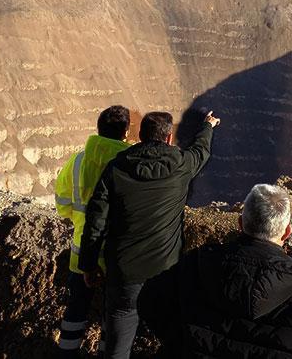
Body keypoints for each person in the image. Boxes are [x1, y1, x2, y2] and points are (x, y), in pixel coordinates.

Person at [138, 183, 292, 358]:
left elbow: (148, 299)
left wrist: (178, 341)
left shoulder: (200, 261)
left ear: (240, 223)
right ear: (287, 232)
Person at [79, 110, 220, 358]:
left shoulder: (117, 167)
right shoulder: (182, 165)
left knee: (116, 349)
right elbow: (201, 151)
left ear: (140, 136)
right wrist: (207, 127)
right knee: (173, 343)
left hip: (124, 276)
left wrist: (88, 265)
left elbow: (96, 220)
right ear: (168, 138)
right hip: (165, 275)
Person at [54, 105, 133, 356]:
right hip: (116, 257)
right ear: (126, 132)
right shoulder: (131, 162)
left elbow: (63, 205)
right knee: (113, 316)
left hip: (82, 253)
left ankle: (67, 353)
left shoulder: (77, 161)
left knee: (75, 309)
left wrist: (79, 220)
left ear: (98, 130)